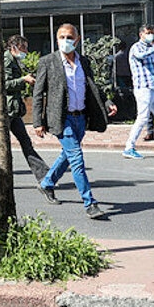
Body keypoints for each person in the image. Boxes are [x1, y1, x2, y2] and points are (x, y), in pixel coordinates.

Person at [33, 23, 117, 220]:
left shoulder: (84, 62)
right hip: (62, 119)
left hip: (81, 118)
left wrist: (108, 102)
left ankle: (46, 184)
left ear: (77, 40)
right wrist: (38, 121)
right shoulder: (48, 62)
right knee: (77, 159)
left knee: (67, 156)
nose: (65, 41)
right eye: (61, 37)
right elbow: (37, 94)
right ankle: (90, 203)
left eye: (69, 37)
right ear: (56, 39)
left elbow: (94, 87)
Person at [0, 35, 51, 191]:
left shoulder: (12, 59)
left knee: (25, 142)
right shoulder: (5, 60)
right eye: (24, 48)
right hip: (5, 110)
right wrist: (23, 80)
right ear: (14, 47)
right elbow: (1, 84)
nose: (26, 51)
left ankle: (45, 175)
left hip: (12, 109)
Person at [122, 24, 154, 159]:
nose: (151, 35)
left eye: (153, 33)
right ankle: (129, 147)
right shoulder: (136, 48)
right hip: (144, 88)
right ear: (141, 34)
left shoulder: (153, 48)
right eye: (148, 33)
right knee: (142, 117)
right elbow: (141, 56)